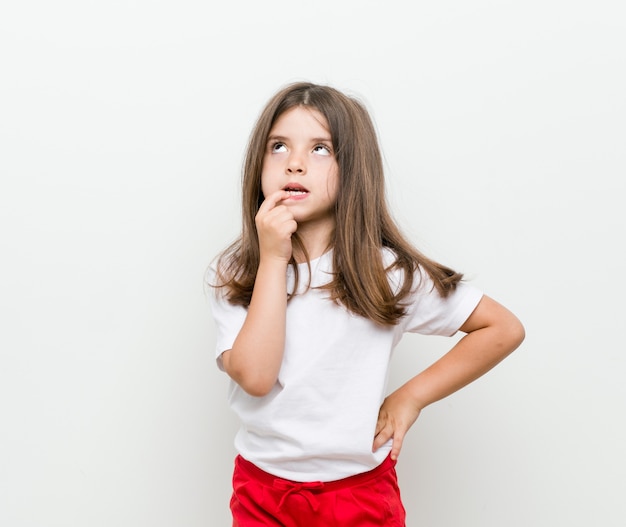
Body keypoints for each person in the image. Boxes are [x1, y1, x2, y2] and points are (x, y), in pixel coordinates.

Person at [207, 81, 525, 527]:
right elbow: (257, 377)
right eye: (278, 146)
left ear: (352, 167)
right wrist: (274, 260)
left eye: (320, 149)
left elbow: (502, 328)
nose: (294, 164)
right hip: (263, 493)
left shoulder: (387, 271)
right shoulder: (237, 271)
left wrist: (410, 398)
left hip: (359, 493)